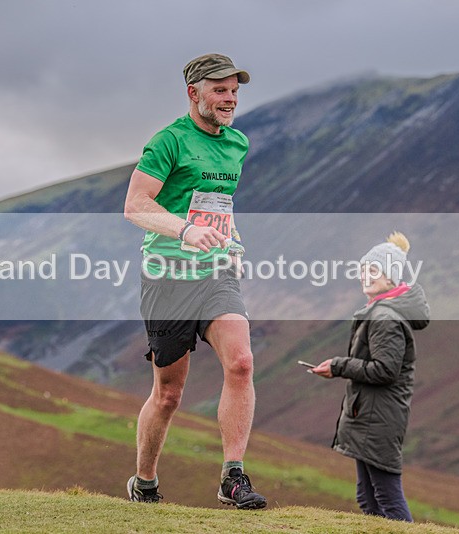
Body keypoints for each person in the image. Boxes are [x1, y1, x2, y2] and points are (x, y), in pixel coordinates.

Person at [122, 53, 267, 509]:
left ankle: (233, 477)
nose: (230, 99)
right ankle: (144, 481)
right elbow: (135, 205)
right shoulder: (168, 142)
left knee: (241, 361)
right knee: (168, 394)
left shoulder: (237, 143)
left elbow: (219, 204)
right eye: (220, 90)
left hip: (216, 271)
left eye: (235, 91)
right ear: (195, 93)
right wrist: (185, 230)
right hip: (168, 274)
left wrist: (232, 240)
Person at [310, 232, 429, 522]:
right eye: (364, 269)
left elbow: (385, 370)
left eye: (374, 270)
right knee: (369, 497)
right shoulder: (380, 311)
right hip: (372, 415)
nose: (366, 275)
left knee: (386, 497)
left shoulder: (384, 318)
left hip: (379, 417)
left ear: (391, 278)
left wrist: (339, 365)